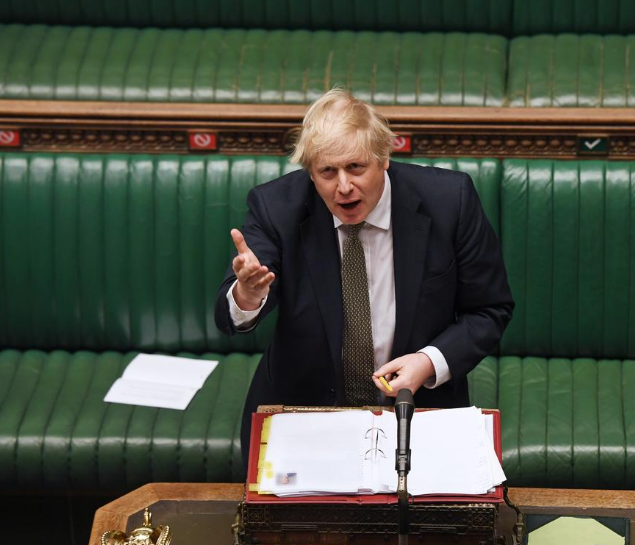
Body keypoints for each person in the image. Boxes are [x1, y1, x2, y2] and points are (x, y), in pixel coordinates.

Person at [214, 88, 513, 470]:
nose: (343, 186)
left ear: (383, 157)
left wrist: (428, 361)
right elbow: (230, 317)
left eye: (356, 167)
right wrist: (247, 293)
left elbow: (490, 309)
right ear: (310, 172)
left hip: (419, 409)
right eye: (327, 172)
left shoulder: (449, 201)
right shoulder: (276, 208)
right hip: (306, 411)